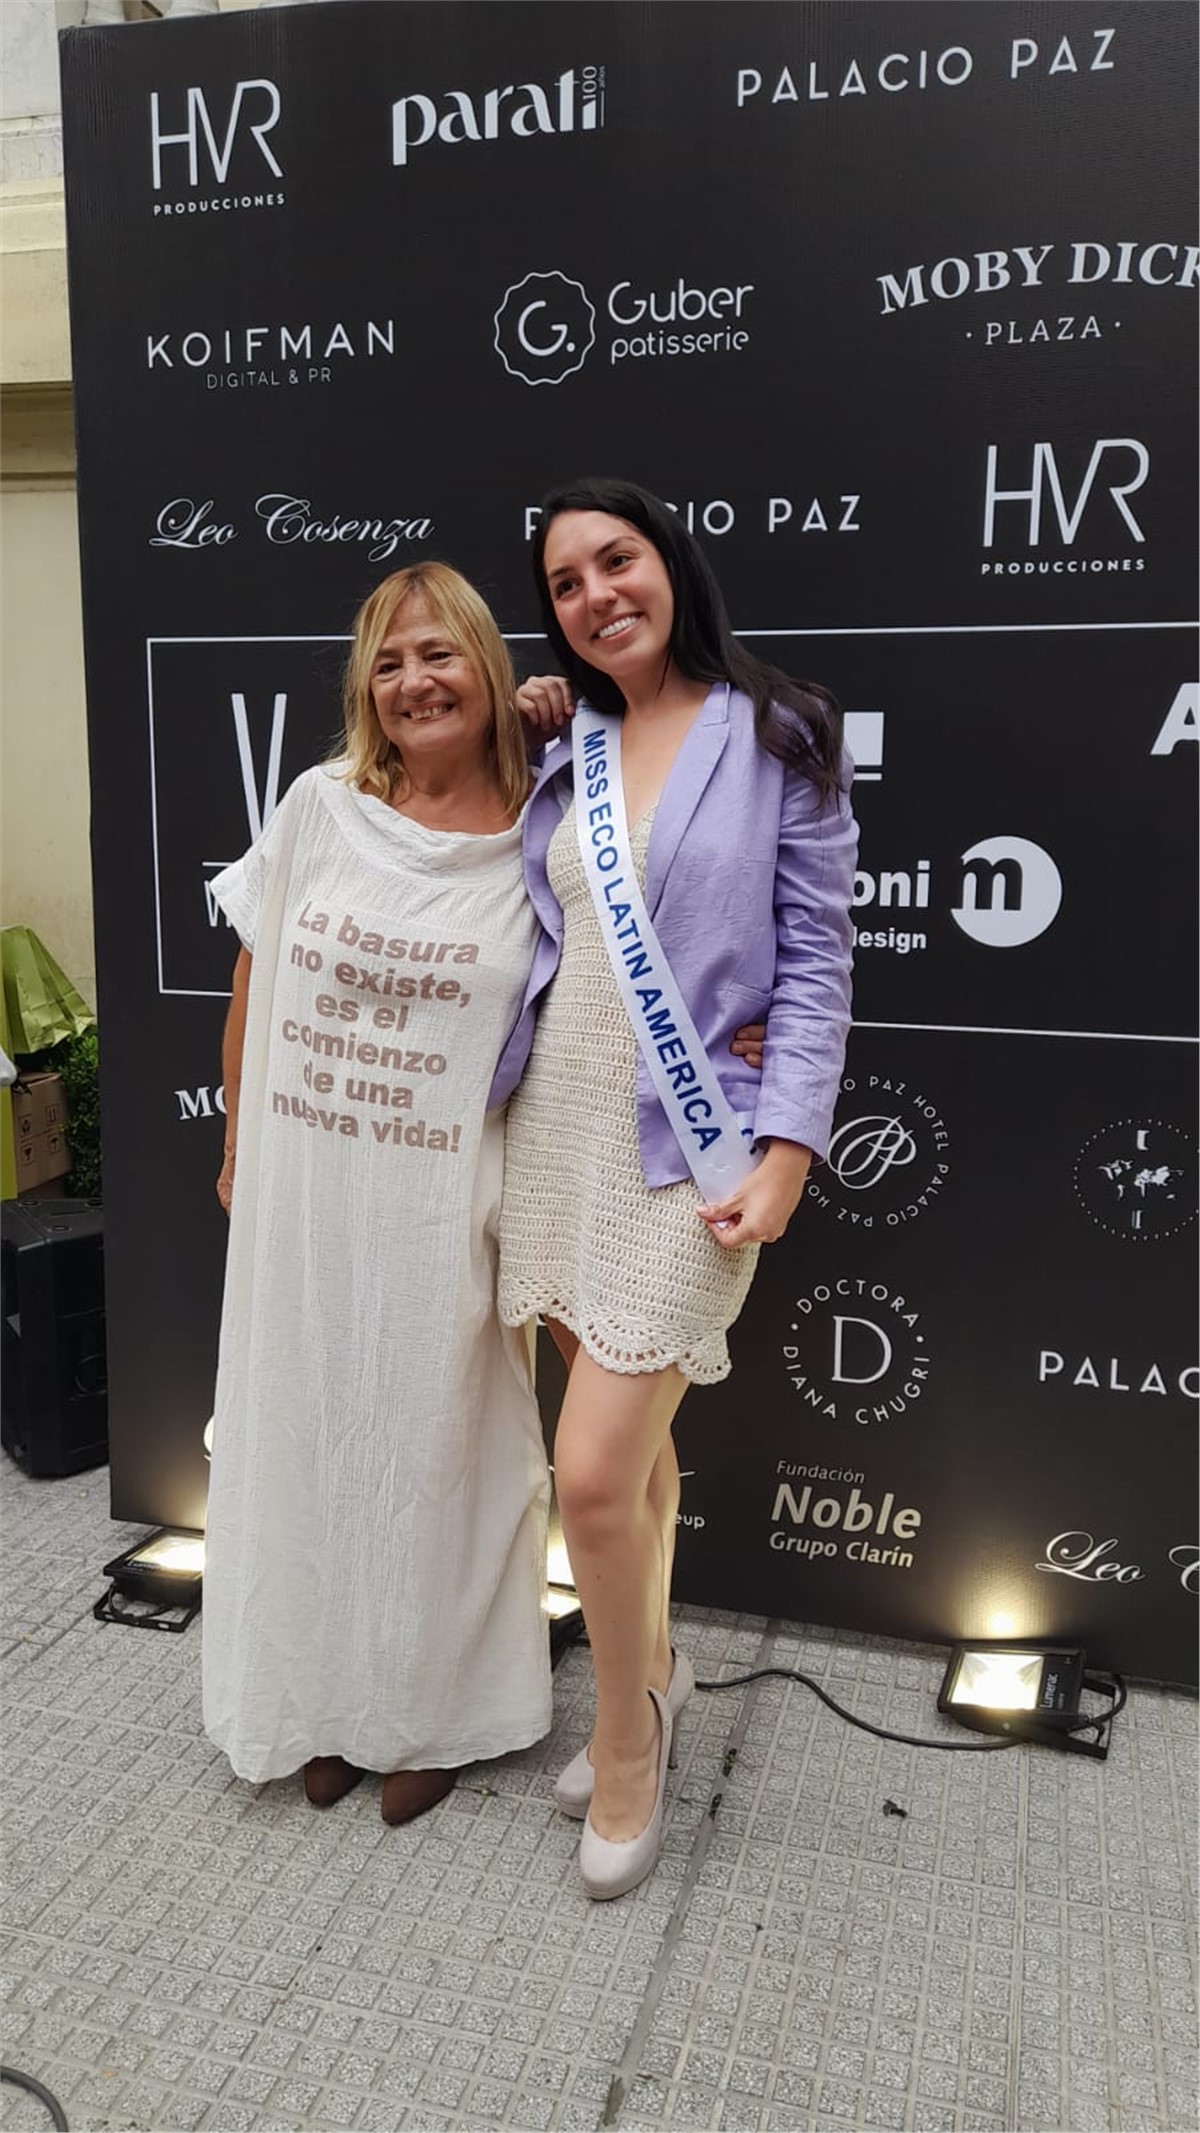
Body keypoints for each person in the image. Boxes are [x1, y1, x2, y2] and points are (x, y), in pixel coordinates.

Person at [492, 477, 858, 1899]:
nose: (596, 596)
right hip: (557, 1127)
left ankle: (627, 1736)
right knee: (634, 1461)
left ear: (669, 563)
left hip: (687, 1150)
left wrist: (789, 1149)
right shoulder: (564, 738)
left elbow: (817, 961)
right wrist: (534, 712)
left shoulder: (780, 731)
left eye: (616, 560)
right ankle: (660, 1662)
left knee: (588, 1471)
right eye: (566, 583)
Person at [203, 562, 554, 1824]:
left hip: (448, 1196)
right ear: (366, 689)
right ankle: (320, 1698)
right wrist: (239, 1143)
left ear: (489, 669)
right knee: (307, 1434)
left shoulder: (546, 831)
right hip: (307, 1186)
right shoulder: (321, 808)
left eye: (440, 654)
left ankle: (434, 1714)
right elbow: (255, 980)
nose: (415, 682)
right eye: (390, 662)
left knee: (437, 1449)